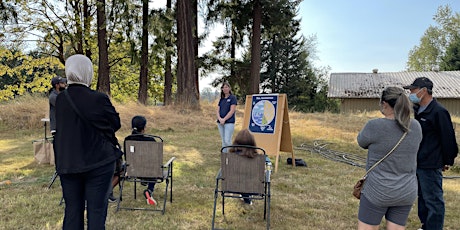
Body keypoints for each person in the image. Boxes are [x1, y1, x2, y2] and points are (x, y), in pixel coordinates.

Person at [54, 54, 122, 230]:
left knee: (72, 211)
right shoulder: (98, 98)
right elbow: (116, 124)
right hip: (98, 162)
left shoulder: (61, 99)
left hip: (68, 162)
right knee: (96, 211)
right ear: (88, 72)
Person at [357, 86, 423, 230]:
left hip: (377, 190)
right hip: (406, 190)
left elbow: (361, 142)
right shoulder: (416, 126)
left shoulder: (374, 125)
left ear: (384, 103)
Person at [403, 77, 458, 230]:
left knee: (433, 200)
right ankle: (425, 225)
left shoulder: (438, 111)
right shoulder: (417, 110)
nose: (410, 93)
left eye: (413, 90)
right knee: (422, 198)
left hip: (431, 163)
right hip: (418, 162)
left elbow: (448, 137)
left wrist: (447, 160)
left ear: (424, 91)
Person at [124, 115, 158, 206]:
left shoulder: (128, 140)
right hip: (150, 172)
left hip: (133, 171)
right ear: (144, 127)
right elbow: (155, 159)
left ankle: (143, 178)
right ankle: (149, 190)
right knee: (154, 168)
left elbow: (128, 157)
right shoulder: (151, 140)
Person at [229, 129, 260, 205]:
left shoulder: (230, 156)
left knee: (241, 177)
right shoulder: (256, 157)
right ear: (252, 142)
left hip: (232, 186)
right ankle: (247, 197)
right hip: (252, 187)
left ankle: (245, 196)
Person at [216, 82, 237, 153]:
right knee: (223, 140)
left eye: (226, 87)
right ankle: (224, 157)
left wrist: (224, 119)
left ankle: (231, 155)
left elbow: (232, 111)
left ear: (229, 88)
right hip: (220, 123)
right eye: (223, 87)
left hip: (229, 122)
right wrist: (220, 119)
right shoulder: (221, 99)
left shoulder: (232, 98)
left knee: (227, 140)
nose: (225, 89)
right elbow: (217, 111)